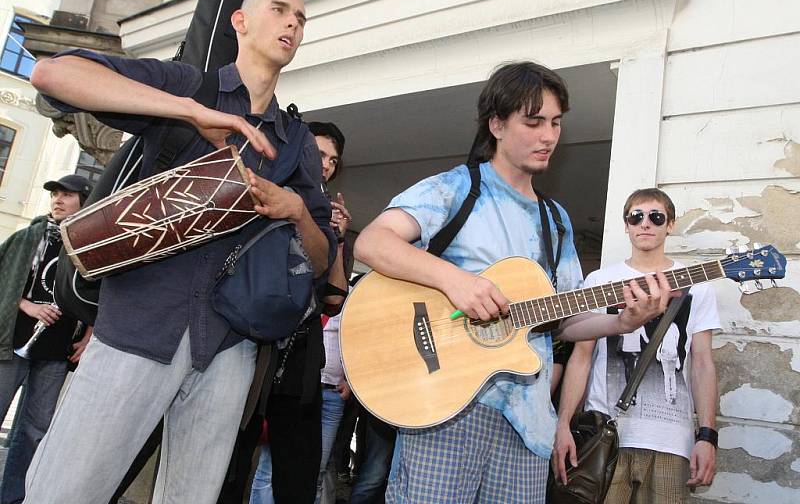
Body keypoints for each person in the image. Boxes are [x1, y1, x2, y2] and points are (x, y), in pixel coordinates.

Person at [24, 0, 336, 504]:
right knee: (65, 491)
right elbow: (51, 74)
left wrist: (297, 209)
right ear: (240, 21)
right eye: (279, 11)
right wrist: (189, 112)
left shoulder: (297, 141)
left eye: (301, 19)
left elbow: (323, 256)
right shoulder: (190, 88)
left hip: (229, 348)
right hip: (139, 327)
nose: (292, 25)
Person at [353, 61, 671, 503]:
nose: (548, 136)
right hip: (448, 409)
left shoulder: (554, 220)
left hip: (529, 426)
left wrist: (623, 323)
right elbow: (371, 243)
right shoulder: (455, 189)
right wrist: (455, 281)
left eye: (556, 122)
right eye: (534, 121)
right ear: (497, 124)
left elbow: (562, 321)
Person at [552, 188, 719, 503]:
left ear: (669, 225)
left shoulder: (699, 286)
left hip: (672, 441)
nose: (645, 224)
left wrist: (707, 436)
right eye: (636, 216)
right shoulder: (600, 281)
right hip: (605, 438)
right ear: (626, 224)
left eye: (656, 217)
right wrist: (563, 425)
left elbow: (703, 364)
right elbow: (580, 358)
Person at [248, 120, 352, 504]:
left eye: (332, 160)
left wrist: (336, 240)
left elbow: (335, 298)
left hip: (301, 365)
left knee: (298, 477)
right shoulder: (267, 190)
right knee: (239, 463)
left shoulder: (327, 220)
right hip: (253, 349)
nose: (325, 164)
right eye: (318, 154)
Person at [0, 174, 94, 504]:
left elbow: (99, 294)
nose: (58, 199)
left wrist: (89, 336)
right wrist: (28, 306)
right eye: (56, 194)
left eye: (68, 195)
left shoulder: (90, 243)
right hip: (13, 343)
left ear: (84, 200)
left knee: (34, 431)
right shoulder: (29, 237)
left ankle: (12, 498)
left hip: (55, 351)